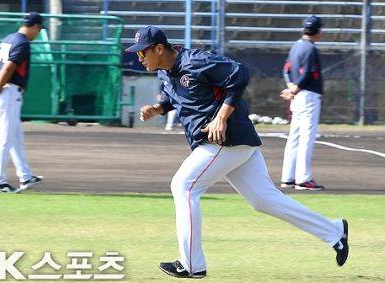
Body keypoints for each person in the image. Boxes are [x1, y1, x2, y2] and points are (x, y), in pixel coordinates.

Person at [126, 26, 349, 279]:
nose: (139, 58)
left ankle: (191, 265)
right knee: (264, 200)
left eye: (142, 52)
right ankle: (334, 232)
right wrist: (158, 108)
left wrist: (221, 117)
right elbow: (177, 98)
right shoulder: (164, 72)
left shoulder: (196, 60)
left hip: (225, 140)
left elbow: (239, 74)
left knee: (184, 186)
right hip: (232, 144)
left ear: (158, 49)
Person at [0, 12, 44, 193]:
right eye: (39, 30)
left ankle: (25, 176)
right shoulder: (23, 42)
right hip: (8, 93)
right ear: (36, 27)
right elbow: (9, 66)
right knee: (5, 139)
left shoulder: (8, 38)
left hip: (2, 92)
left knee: (15, 138)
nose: (38, 34)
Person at [280, 16, 325, 191]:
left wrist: (291, 87)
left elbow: (286, 70)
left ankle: (288, 178)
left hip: (297, 96)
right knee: (306, 138)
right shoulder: (311, 49)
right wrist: (295, 90)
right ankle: (303, 179)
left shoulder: (296, 45)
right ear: (318, 31)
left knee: (294, 137)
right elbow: (307, 74)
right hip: (308, 96)